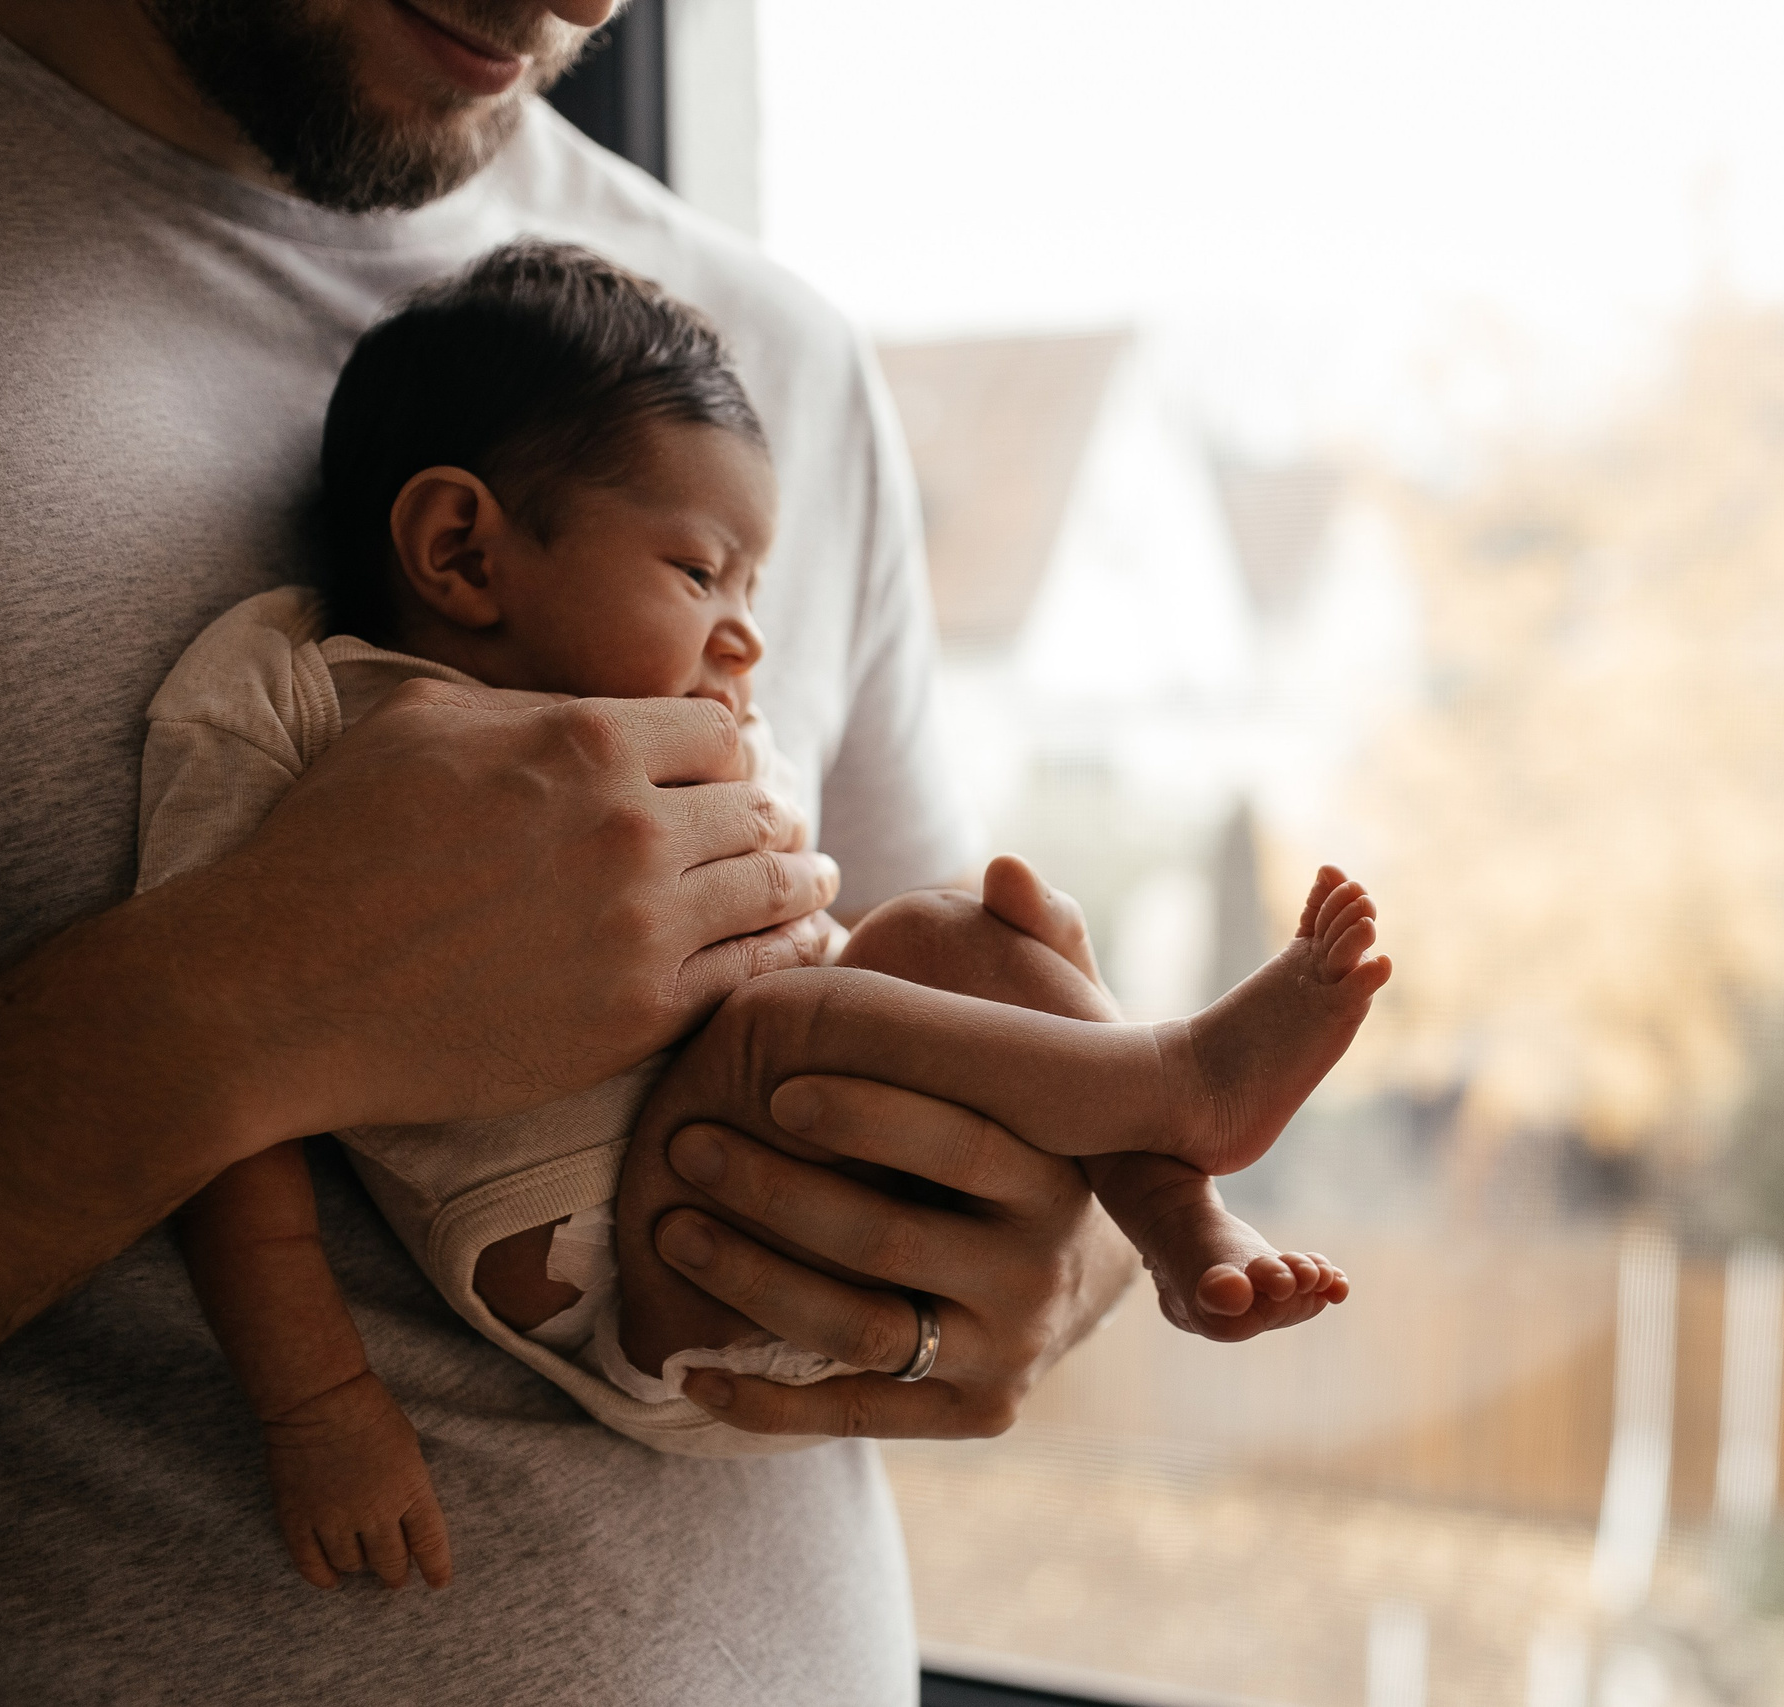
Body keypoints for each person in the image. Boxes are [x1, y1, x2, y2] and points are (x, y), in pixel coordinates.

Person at [0, 1, 1182, 1698]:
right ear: (452, 546)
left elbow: (961, 1054)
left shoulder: (766, 364)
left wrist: (1037, 1271)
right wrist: (239, 1005)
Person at [154, 240, 1375, 1591]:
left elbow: (857, 968)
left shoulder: (713, 722)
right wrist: (319, 1409)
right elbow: (201, 1086)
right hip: (610, 1272)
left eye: (753, 588)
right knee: (798, 1017)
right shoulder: (308, 696)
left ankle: (1174, 1215)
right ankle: (1177, 1080)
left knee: (958, 930)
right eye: (695, 572)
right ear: (459, 549)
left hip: (800, 1181)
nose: (745, 635)